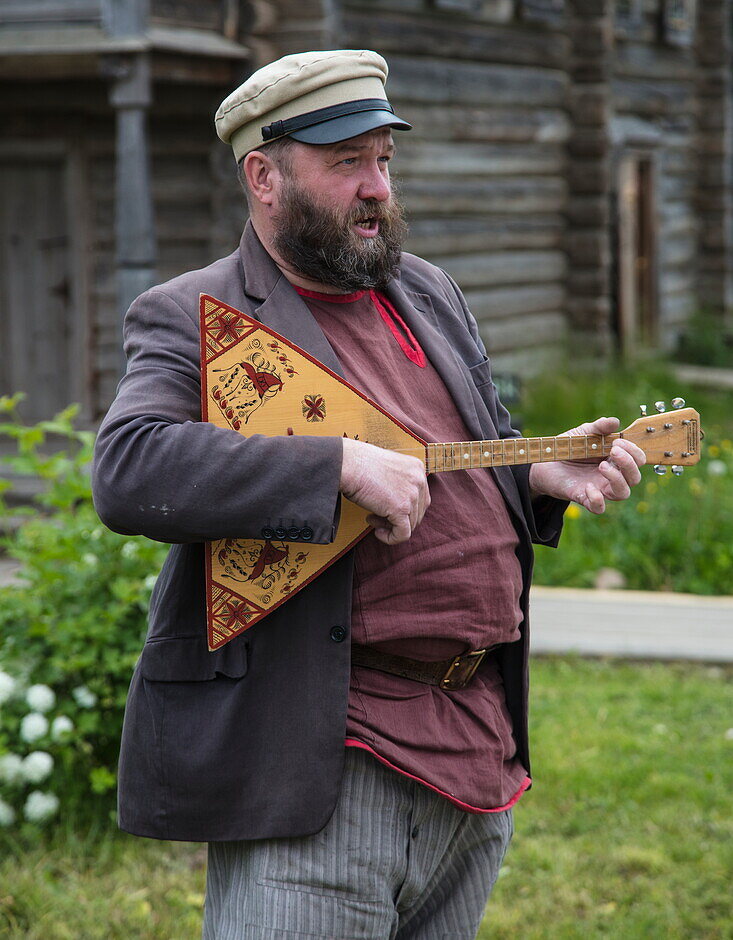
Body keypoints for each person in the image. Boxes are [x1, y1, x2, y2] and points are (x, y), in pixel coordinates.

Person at [92, 49, 645, 939]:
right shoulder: (194, 314)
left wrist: (539, 476)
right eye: (346, 163)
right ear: (264, 176)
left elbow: (468, 447)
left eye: (383, 159)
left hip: (473, 757)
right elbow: (130, 470)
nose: (376, 187)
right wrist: (335, 464)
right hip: (325, 764)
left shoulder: (425, 290)